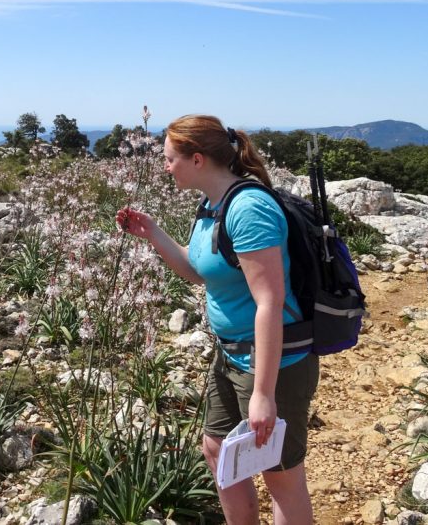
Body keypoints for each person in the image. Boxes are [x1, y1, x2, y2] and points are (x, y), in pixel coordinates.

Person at [116, 114, 318, 525]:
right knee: (217, 449)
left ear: (196, 159)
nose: (165, 167)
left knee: (280, 475)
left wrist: (263, 394)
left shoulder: (248, 209)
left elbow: (269, 302)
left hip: (274, 364)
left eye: (170, 158)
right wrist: (152, 232)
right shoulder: (212, 206)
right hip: (231, 356)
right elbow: (198, 271)